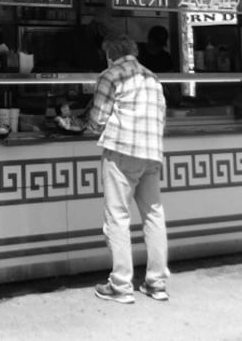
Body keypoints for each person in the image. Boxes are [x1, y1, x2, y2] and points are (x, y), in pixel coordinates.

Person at [87, 33, 169, 304]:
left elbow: (98, 119)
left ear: (109, 53)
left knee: (118, 216)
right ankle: (156, 284)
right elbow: (162, 116)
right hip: (152, 153)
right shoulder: (152, 78)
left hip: (122, 152)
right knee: (154, 216)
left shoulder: (111, 75)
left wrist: (86, 124)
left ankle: (121, 284)